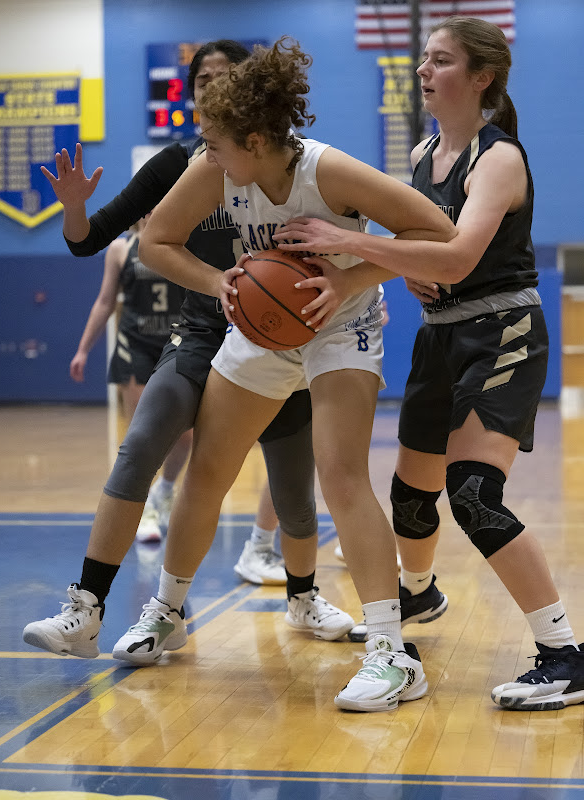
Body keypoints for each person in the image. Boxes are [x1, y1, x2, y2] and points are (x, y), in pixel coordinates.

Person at [129, 36, 456, 712]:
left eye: (216, 144)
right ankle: (166, 609)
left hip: (342, 323)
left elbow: (439, 234)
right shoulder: (215, 169)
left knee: (339, 474)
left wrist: (350, 276)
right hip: (262, 325)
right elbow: (155, 243)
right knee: (210, 468)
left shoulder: (330, 173)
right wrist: (218, 279)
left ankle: (391, 655)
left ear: (253, 139)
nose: (207, 154)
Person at [273, 18, 584, 711]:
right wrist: (345, 278)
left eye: (439, 60)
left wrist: (345, 241)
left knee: (472, 495)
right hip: (439, 336)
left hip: (500, 329)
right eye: (423, 58)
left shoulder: (497, 158)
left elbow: (455, 258)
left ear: (481, 78)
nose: (422, 69)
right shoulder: (421, 154)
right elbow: (409, 253)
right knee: (412, 500)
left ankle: (564, 652)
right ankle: (418, 595)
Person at [22, 40, 357, 667]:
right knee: (141, 442)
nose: (212, 88)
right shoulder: (183, 163)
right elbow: (93, 240)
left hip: (274, 338)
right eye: (203, 79)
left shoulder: (292, 167)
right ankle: (86, 609)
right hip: (205, 330)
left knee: (292, 489)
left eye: (226, 79)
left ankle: (304, 596)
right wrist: (73, 210)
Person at [69, 216, 193, 543]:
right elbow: (106, 301)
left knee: (185, 435)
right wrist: (83, 350)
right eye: (149, 206)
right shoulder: (120, 249)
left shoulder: (186, 241)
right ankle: (141, 510)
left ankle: (163, 492)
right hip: (135, 345)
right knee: (144, 433)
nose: (154, 211)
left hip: (178, 344)